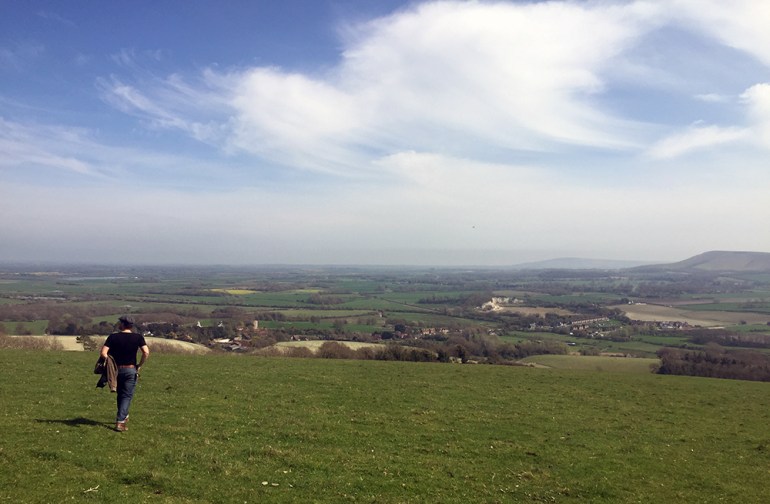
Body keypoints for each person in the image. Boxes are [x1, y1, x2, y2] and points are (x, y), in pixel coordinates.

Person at [100, 315, 149, 432]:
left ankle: (124, 415)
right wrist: (140, 365)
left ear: (122, 324)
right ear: (131, 326)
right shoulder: (138, 337)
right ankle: (120, 421)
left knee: (121, 394)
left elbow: (103, 353)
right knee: (126, 395)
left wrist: (110, 363)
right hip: (130, 369)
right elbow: (146, 352)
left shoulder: (113, 337)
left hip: (116, 370)